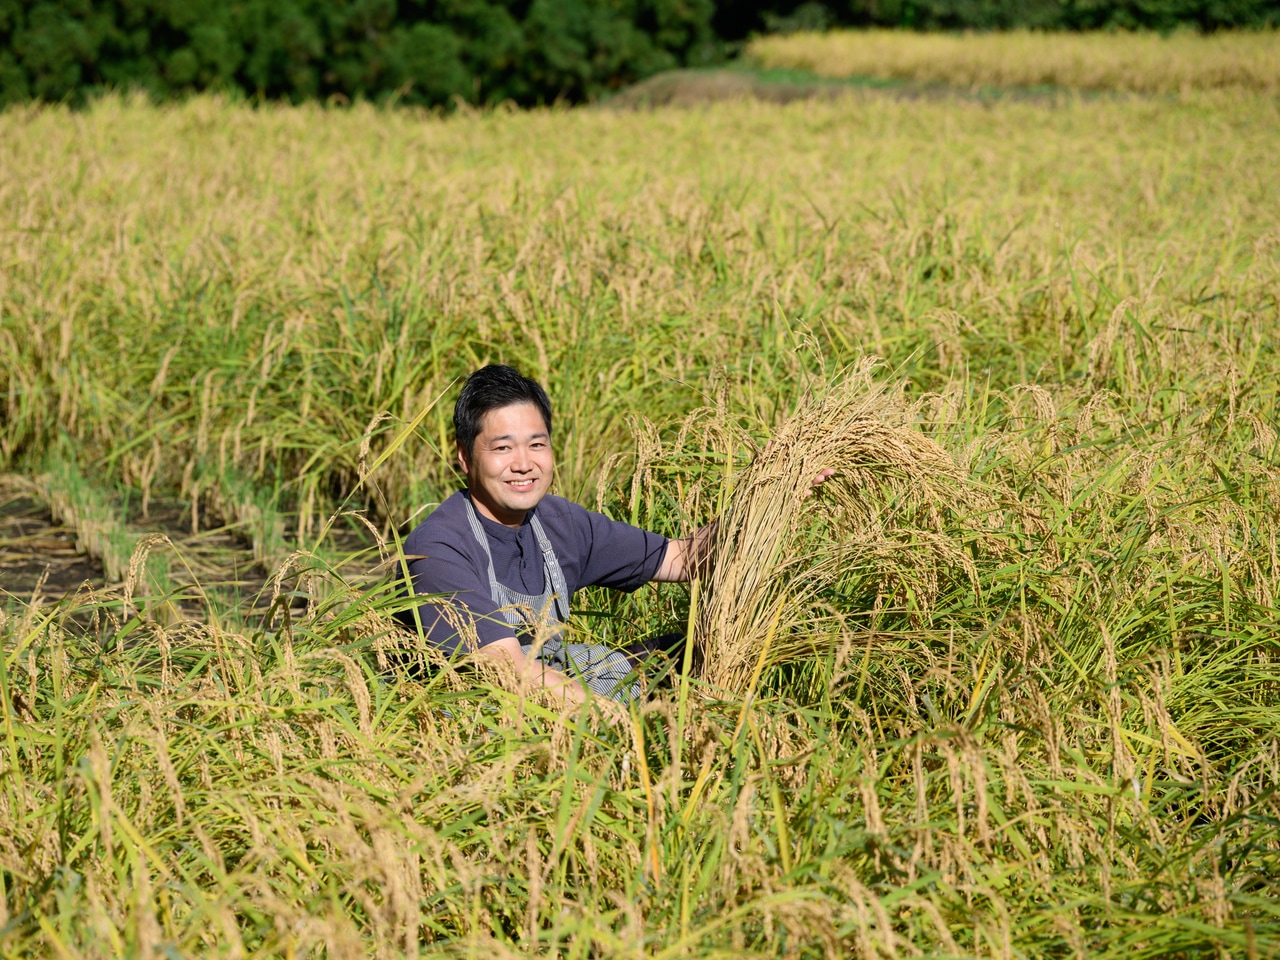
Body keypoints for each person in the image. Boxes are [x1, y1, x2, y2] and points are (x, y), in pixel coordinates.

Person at [395, 364, 830, 707]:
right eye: (503, 447)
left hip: (552, 676)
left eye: (537, 444)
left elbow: (681, 557)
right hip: (477, 708)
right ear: (465, 458)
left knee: (688, 651)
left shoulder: (559, 522)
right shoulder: (438, 549)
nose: (524, 463)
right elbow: (507, 673)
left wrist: (772, 492)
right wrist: (617, 726)